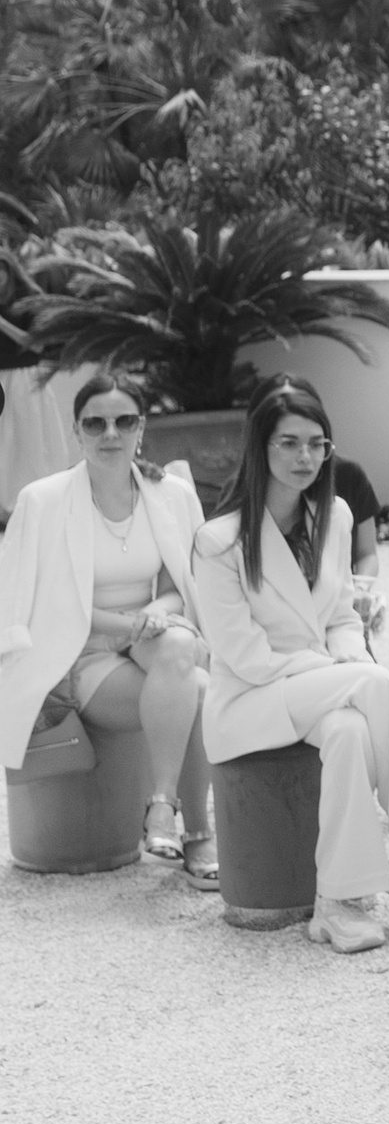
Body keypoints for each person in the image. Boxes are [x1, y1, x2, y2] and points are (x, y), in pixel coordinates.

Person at [197, 379, 389, 954]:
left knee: (350, 728)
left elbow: (340, 616)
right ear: (260, 447)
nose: (304, 457)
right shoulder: (217, 542)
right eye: (288, 443)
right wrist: (346, 675)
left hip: (317, 697)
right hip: (249, 703)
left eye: (317, 444)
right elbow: (244, 657)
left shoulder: (333, 515)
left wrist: (349, 665)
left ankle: (340, 901)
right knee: (375, 684)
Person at [0, 372, 214, 874]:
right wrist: (128, 625)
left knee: (182, 652)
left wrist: (158, 610)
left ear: (142, 428)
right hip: (81, 651)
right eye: (95, 423)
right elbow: (40, 602)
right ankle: (198, 834)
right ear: (77, 431)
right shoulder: (43, 500)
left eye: (124, 421)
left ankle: (162, 805)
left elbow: (189, 580)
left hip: (155, 638)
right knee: (199, 688)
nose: (110, 434)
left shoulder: (174, 495)